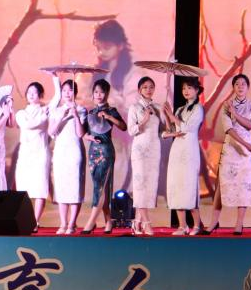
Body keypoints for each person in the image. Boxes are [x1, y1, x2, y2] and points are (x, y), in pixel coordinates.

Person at [208, 74, 251, 235]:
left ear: (248, 87)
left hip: (246, 152)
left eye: (243, 84)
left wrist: (235, 115)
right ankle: (214, 221)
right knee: (221, 185)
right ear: (233, 87)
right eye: (237, 84)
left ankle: (239, 223)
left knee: (244, 185)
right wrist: (246, 144)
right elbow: (228, 128)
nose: (240, 86)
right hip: (231, 148)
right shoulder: (226, 105)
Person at [78, 79, 127, 234]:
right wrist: (89, 137)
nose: (99, 95)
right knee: (101, 187)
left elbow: (123, 127)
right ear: (93, 94)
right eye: (96, 92)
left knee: (99, 187)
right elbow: (83, 133)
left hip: (106, 152)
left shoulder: (111, 110)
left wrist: (108, 117)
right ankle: (108, 221)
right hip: (93, 152)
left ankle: (91, 222)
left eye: (102, 92)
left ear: (107, 94)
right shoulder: (90, 113)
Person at [161, 79, 206, 235]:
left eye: (190, 88)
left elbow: (187, 128)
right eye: (184, 88)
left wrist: (172, 116)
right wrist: (167, 115)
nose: (186, 91)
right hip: (177, 148)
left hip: (189, 149)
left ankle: (197, 225)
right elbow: (173, 129)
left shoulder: (198, 109)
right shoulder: (180, 109)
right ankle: (182, 225)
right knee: (176, 185)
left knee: (189, 185)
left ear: (197, 90)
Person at [48, 76, 86, 235]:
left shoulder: (82, 109)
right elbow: (51, 131)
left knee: (75, 187)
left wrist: (75, 115)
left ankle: (72, 223)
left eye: (70, 90)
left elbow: (80, 133)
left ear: (75, 92)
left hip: (74, 151)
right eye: (64, 90)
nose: (67, 93)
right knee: (62, 187)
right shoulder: (56, 110)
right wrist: (62, 116)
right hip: (60, 152)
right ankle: (63, 223)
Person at [126, 76, 161, 236]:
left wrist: (167, 114)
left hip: (154, 149)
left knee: (149, 185)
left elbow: (162, 129)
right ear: (139, 90)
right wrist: (145, 119)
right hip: (140, 150)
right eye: (145, 87)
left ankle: (137, 222)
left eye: (151, 87)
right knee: (140, 185)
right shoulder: (134, 107)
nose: (149, 90)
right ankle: (146, 223)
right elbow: (131, 130)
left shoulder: (157, 107)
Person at [14, 82, 51, 227]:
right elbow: (28, 125)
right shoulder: (21, 114)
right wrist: (43, 118)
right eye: (29, 92)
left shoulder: (46, 110)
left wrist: (55, 80)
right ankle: (26, 219)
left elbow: (56, 100)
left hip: (40, 153)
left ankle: (35, 221)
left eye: (34, 92)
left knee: (40, 188)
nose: (31, 95)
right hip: (25, 154)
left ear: (40, 95)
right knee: (24, 188)